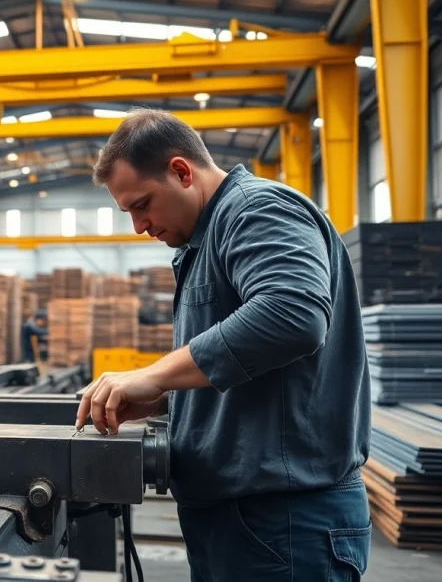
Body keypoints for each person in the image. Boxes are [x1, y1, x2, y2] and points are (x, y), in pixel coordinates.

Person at [75, 108, 371, 581]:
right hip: (238, 520)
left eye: (141, 204)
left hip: (283, 523)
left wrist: (150, 373)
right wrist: (162, 398)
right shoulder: (204, 239)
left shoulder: (258, 210)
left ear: (181, 171)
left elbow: (293, 316)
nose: (138, 226)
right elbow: (252, 372)